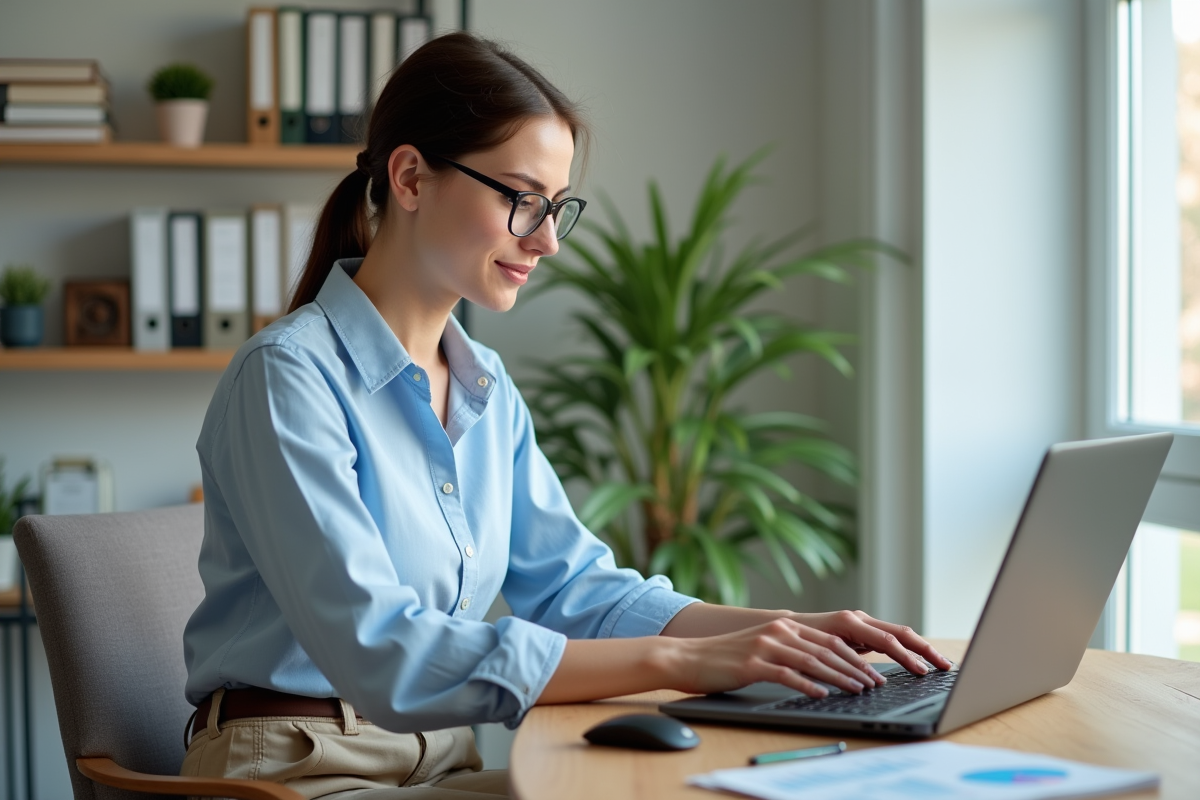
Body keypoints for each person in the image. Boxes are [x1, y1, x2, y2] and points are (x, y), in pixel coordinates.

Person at [180, 31, 951, 800]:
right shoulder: (287, 377)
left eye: (556, 208)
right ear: (411, 177)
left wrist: (783, 630)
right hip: (294, 769)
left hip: (439, 761)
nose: (546, 240)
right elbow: (386, 655)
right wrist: (681, 663)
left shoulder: (485, 388)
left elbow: (577, 589)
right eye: (521, 200)